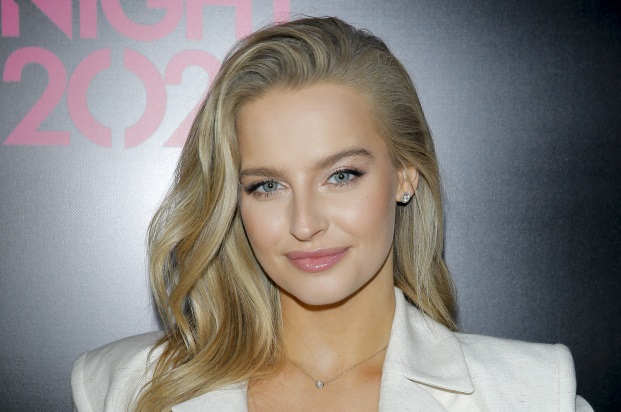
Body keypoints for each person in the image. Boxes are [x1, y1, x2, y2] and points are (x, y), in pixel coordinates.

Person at [71, 17, 592, 411]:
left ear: (405, 175)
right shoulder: (122, 387)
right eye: (267, 185)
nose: (305, 224)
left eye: (341, 176)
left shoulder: (532, 394)